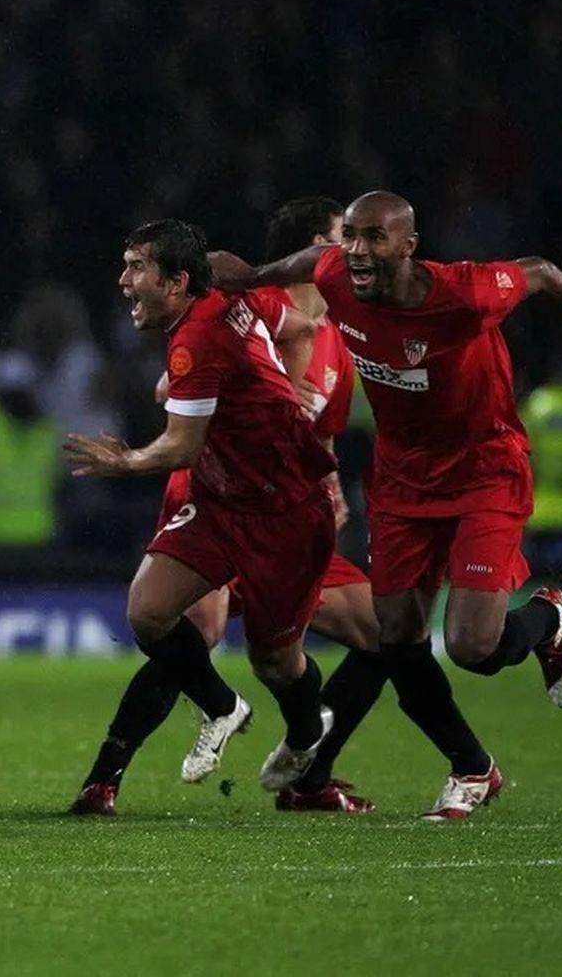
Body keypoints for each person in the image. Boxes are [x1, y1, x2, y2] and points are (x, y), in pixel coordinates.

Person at [212, 190, 562, 819]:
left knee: (471, 647)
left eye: (374, 238)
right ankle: (471, 771)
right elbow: (307, 262)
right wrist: (252, 277)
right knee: (397, 640)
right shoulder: (337, 271)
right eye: (351, 236)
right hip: (402, 481)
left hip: (483, 471)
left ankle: (547, 620)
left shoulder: (466, 292)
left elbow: (543, 272)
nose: (357, 251)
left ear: (408, 246)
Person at [71, 198, 388, 815]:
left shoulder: (208, 335)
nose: (124, 281)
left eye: (136, 268)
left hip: (284, 517)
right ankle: (214, 710)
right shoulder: (244, 299)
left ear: (177, 282)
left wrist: (125, 462)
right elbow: (290, 325)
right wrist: (278, 379)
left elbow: (182, 445)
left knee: (277, 661)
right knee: (151, 613)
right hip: (218, 501)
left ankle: (306, 735)